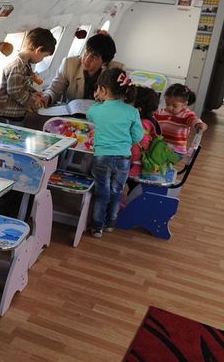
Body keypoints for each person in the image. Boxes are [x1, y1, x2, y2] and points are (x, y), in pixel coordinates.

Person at [86, 68, 144, 237]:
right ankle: (111, 223)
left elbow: (90, 125)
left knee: (101, 192)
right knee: (117, 191)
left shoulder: (94, 110)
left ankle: (97, 227)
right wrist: (124, 144)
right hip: (124, 157)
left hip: (101, 157)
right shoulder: (132, 112)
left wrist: (97, 102)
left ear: (103, 90)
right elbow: (137, 136)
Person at [0, 27, 57, 124]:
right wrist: (34, 102)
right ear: (38, 50)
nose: (42, 60)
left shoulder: (25, 65)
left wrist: (34, 93)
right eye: (44, 56)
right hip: (8, 114)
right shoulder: (17, 66)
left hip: (16, 113)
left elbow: (23, 85)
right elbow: (15, 91)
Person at [42, 32, 123, 106]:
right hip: (72, 113)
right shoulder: (69, 64)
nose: (86, 59)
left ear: (104, 63)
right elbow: (54, 89)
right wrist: (46, 97)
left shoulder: (115, 73)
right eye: (86, 52)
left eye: (94, 57)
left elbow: (120, 100)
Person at [154, 83, 208, 155]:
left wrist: (199, 125)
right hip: (160, 147)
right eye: (167, 104)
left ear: (185, 104)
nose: (170, 108)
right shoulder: (160, 112)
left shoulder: (186, 114)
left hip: (175, 150)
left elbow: (193, 120)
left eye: (174, 105)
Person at [129, 86, 162, 177]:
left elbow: (136, 141)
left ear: (138, 109)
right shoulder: (150, 120)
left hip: (136, 158)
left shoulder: (142, 123)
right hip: (142, 156)